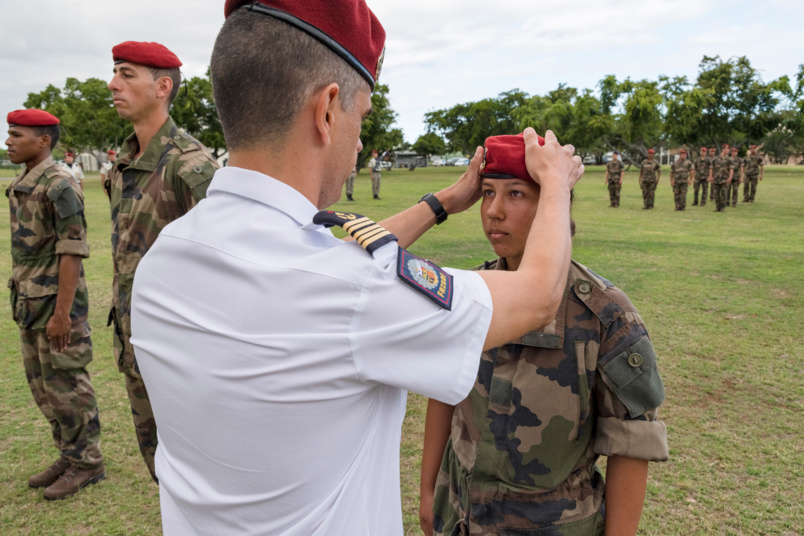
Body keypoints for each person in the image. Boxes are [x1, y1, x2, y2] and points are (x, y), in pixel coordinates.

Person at [129, 1, 582, 534]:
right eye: (360, 115)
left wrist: (440, 204)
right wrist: (556, 182)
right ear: (326, 111)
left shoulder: (164, 258)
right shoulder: (354, 295)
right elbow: (538, 294)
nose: (360, 140)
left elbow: (330, 262)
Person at [420, 134, 668, 536]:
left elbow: (630, 444)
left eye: (516, 194)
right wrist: (429, 491)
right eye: (487, 193)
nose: (494, 211)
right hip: (460, 516)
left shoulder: (606, 315)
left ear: (554, 203)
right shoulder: (470, 292)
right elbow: (443, 392)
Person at [105, 40, 220, 482]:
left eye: (126, 74)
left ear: (162, 87)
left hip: (180, 354)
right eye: (114, 73)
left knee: (195, 468)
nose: (113, 84)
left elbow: (222, 268)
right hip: (135, 340)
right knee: (158, 464)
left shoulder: (191, 166)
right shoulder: (125, 162)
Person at [5, 109, 105, 500]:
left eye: (17, 135)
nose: (8, 141)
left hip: (56, 307)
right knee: (44, 389)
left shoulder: (59, 184)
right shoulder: (24, 181)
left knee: (68, 386)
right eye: (9, 133)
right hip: (30, 303)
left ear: (43, 141)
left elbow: (72, 251)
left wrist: (63, 315)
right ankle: (69, 454)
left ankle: (88, 463)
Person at [710, 144, 733, 212]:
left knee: (724, 194)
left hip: (724, 179)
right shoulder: (715, 159)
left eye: (729, 149)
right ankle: (717, 207)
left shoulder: (729, 159)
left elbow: (731, 169)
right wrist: (711, 176)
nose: (728, 150)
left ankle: (722, 207)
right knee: (716, 194)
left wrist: (730, 177)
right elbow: (711, 168)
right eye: (727, 149)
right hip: (716, 179)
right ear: (723, 149)